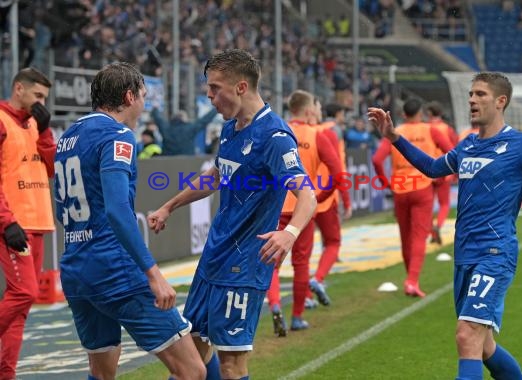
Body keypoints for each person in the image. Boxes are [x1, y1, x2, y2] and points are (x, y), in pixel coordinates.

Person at [368, 71, 522, 380]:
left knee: (466, 336)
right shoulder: (467, 145)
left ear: (501, 101)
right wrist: (395, 138)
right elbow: (433, 168)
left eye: (480, 94)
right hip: (465, 256)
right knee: (484, 345)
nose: (472, 100)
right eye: (471, 94)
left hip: (495, 252)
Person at [147, 49, 316, 380]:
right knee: (190, 357)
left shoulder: (275, 136)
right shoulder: (231, 128)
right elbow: (215, 176)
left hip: (242, 267)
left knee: (230, 364)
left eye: (214, 88)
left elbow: (307, 195)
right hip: (214, 258)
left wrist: (289, 233)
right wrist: (170, 205)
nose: (209, 97)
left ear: (241, 87)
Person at [54, 62, 206, 380]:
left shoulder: (68, 136)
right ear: (128, 97)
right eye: (143, 97)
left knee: (101, 372)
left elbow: (61, 209)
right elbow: (118, 210)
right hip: (114, 269)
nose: (145, 106)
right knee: (192, 371)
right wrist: (153, 274)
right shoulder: (117, 135)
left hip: (76, 269)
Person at [266, 90, 342, 336]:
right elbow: (338, 173)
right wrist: (318, 198)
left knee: (271, 263)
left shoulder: (277, 131)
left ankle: (275, 305)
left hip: (276, 206)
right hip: (302, 208)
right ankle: (297, 317)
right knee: (301, 264)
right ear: (309, 109)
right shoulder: (317, 135)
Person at [0, 67, 55, 380]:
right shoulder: (1, 120)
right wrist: (7, 221)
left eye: (44, 98)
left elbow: (50, 169)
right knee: (25, 293)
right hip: (13, 225)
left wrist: (45, 132)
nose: (41, 103)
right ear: (18, 88)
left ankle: (6, 374)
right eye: (37, 95)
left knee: (21, 308)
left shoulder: (37, 124)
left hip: (38, 221)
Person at [372, 98, 453, 297]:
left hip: (400, 188)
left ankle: (410, 278)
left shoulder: (395, 130)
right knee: (419, 236)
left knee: (405, 237)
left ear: (403, 114)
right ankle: (412, 281)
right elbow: (452, 154)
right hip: (423, 185)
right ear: (421, 113)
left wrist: (385, 184)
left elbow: (376, 159)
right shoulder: (430, 129)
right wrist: (441, 175)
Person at [305, 101, 352, 308]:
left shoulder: (298, 132)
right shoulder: (334, 132)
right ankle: (318, 279)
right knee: (333, 242)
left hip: (302, 197)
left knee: (302, 252)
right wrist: (346, 199)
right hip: (325, 196)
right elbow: (338, 167)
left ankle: (304, 297)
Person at [425, 101, 458, 245]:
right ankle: (438, 225)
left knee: (427, 204)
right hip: (444, 169)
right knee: (444, 203)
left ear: (429, 113)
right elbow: (455, 148)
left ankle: (432, 231)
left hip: (426, 169)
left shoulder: (424, 128)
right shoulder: (447, 129)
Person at [150, 106, 219, 156]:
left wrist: (155, 110)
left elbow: (159, 120)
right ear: (184, 119)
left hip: (167, 164)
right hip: (187, 163)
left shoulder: (167, 129)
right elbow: (204, 120)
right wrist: (216, 108)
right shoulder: (190, 128)